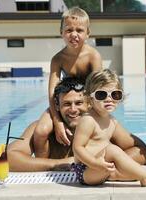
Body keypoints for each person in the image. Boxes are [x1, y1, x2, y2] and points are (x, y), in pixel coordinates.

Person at [7, 77, 146, 172]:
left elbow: (143, 152)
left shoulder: (103, 125)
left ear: (89, 103)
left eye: (79, 103)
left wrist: (102, 163)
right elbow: (7, 157)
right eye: (67, 104)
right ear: (57, 106)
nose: (73, 109)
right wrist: (57, 164)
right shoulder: (42, 128)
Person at [72, 69, 146, 186]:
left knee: (131, 170)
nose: (109, 99)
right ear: (90, 98)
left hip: (101, 169)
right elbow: (77, 148)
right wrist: (95, 163)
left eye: (115, 94)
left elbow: (138, 150)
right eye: (101, 94)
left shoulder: (112, 121)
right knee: (111, 149)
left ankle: (116, 175)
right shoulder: (88, 120)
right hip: (86, 170)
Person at [33, 7, 103, 158]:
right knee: (40, 131)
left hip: (88, 104)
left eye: (79, 30)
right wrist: (57, 122)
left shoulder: (93, 56)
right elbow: (52, 92)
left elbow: (98, 91)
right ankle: (41, 167)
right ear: (61, 33)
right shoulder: (58, 59)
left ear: (88, 33)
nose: (74, 34)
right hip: (67, 103)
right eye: (69, 30)